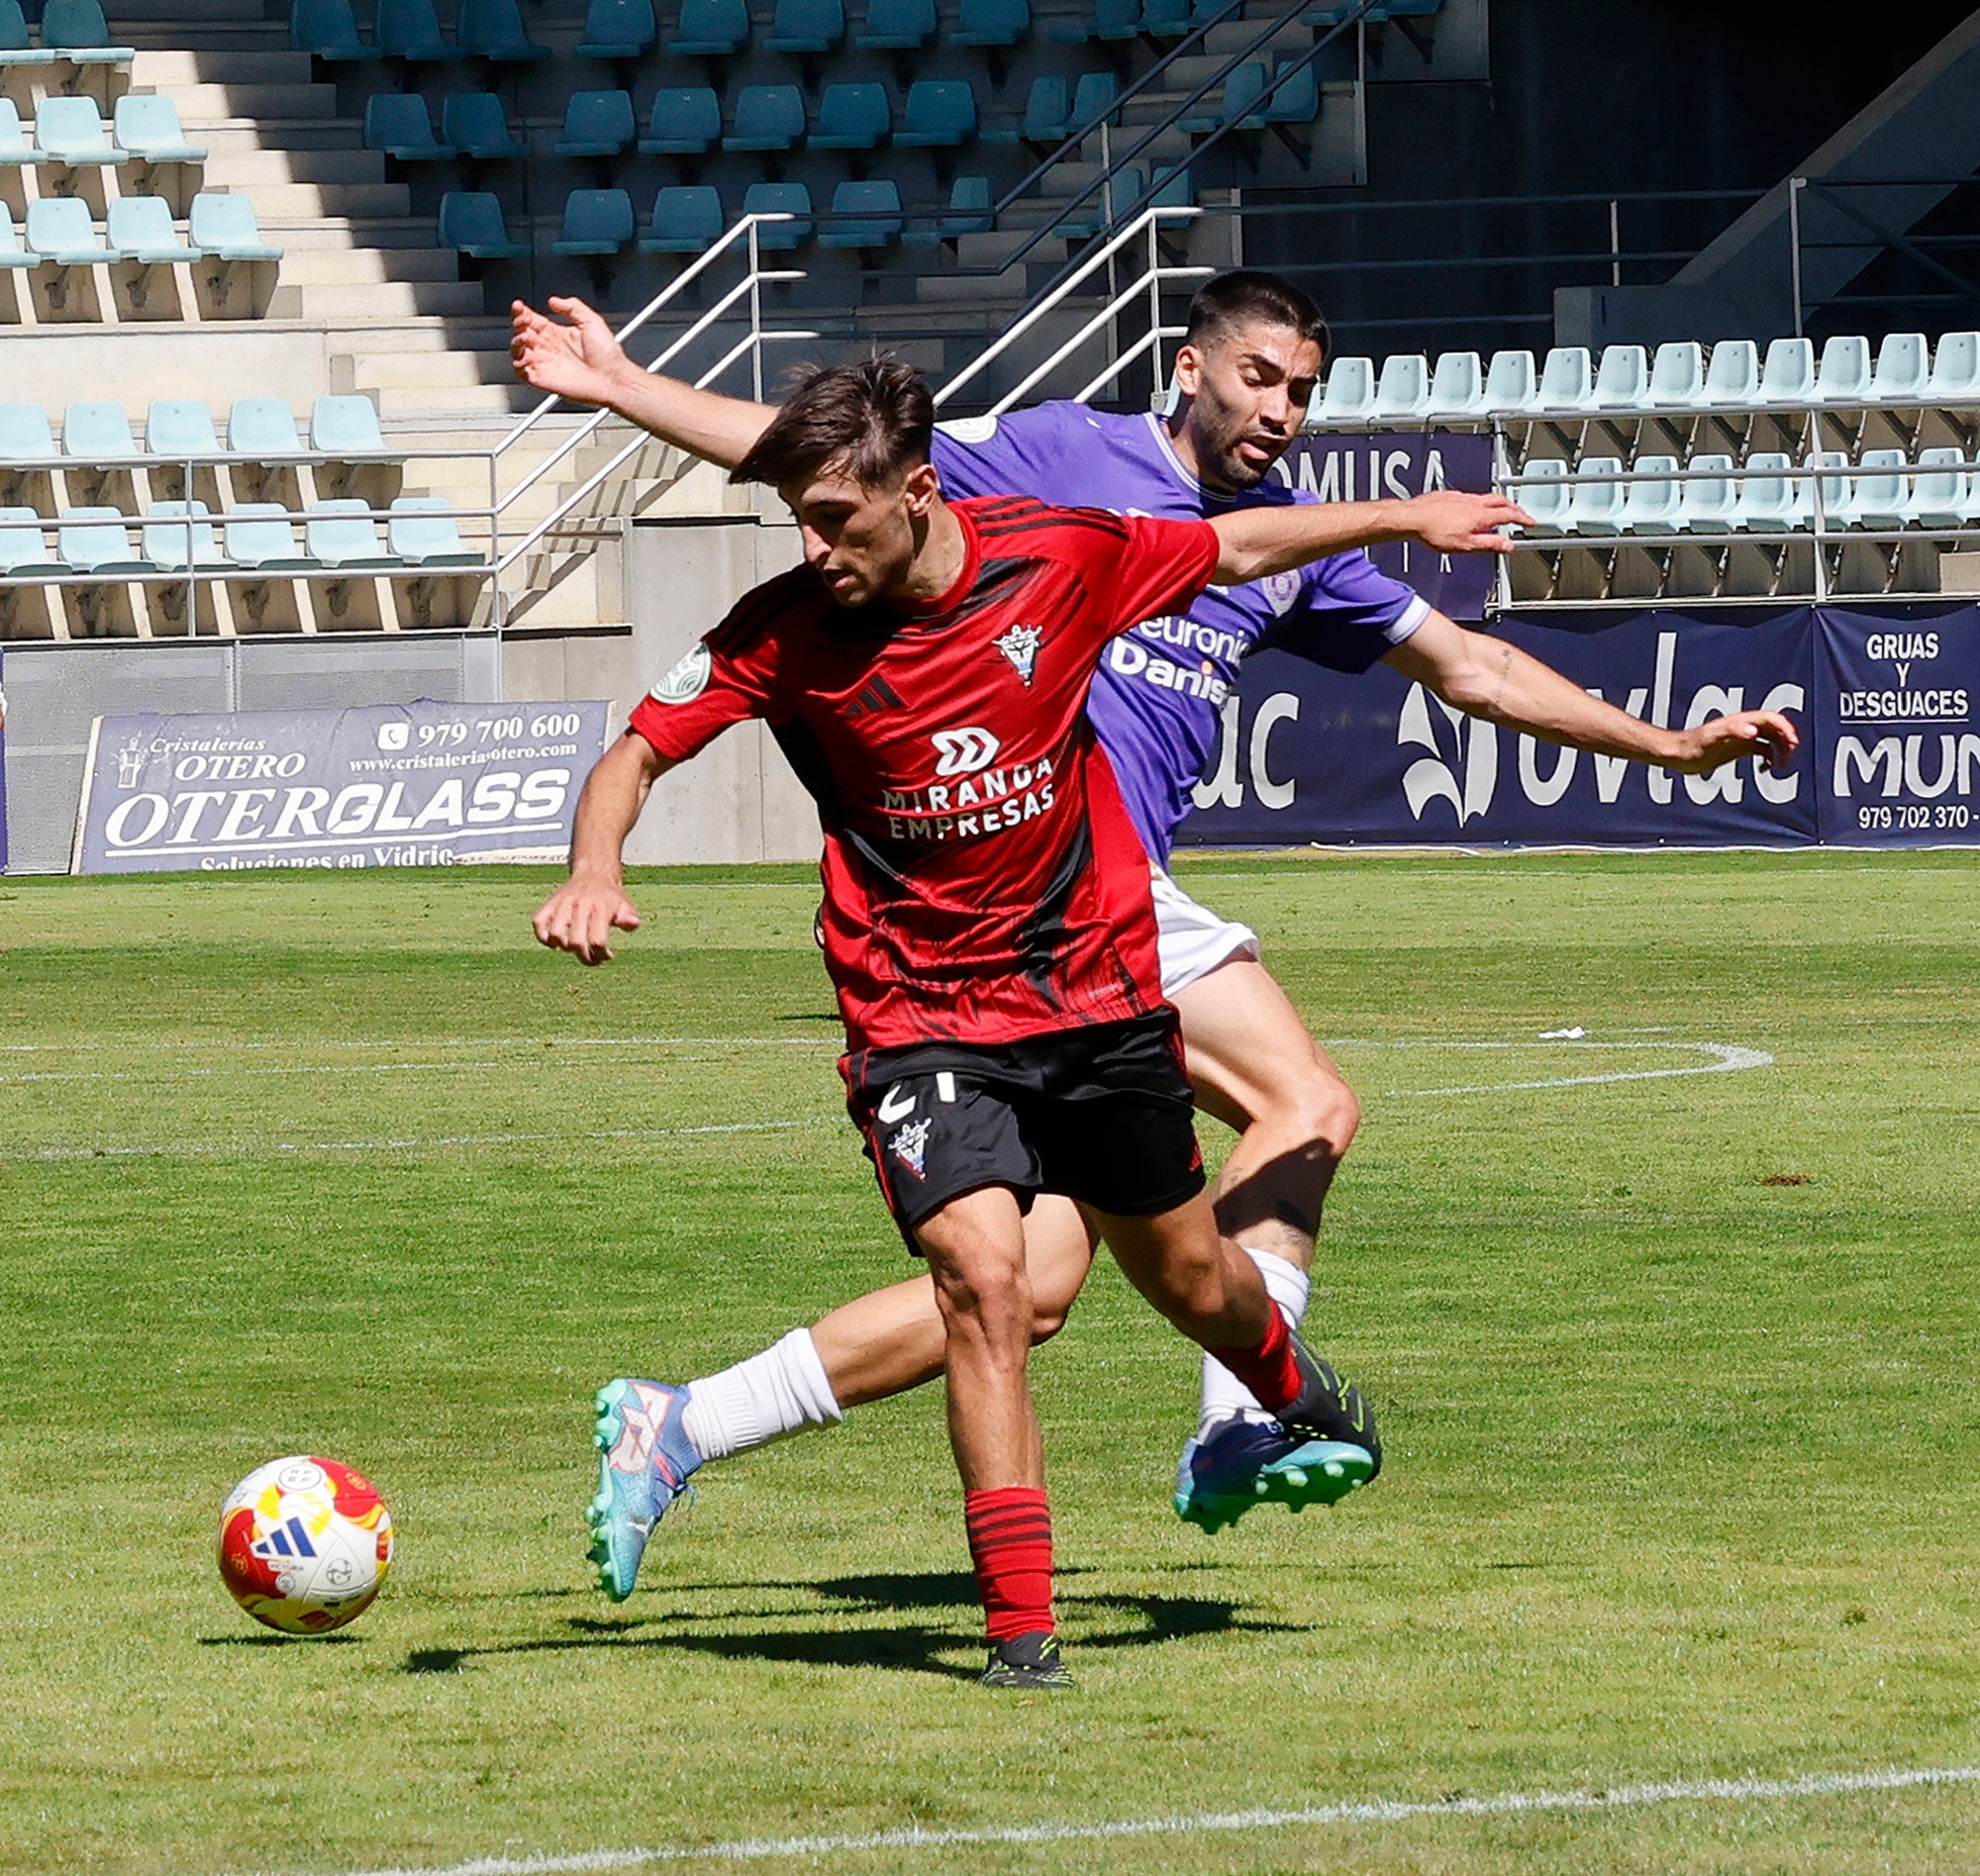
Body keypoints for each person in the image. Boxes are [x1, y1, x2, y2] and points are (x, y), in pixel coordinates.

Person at [513, 272, 1798, 1550]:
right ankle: (1242, 1414)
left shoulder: (1289, 544)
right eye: (1259, 378)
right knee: (1307, 1101)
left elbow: (1472, 667)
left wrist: (1667, 748)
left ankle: (677, 1424)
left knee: (1032, 1291)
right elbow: (826, 455)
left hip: (1089, 932)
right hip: (1068, 885)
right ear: (1189, 367)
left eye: (1303, 391)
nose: (1283, 410)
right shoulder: (1063, 454)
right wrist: (625, 390)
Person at [534, 359, 1492, 1687]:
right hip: (918, 1015)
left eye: (834, 520)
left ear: (916, 494)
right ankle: (1020, 1637)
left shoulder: (1061, 558)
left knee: (1189, 1281)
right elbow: (637, 750)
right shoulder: (780, 633)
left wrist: (1404, 517)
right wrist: (596, 868)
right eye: (798, 522)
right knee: (987, 1287)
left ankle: (1292, 1389)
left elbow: (1235, 543)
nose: (812, 550)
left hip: (1091, 999)